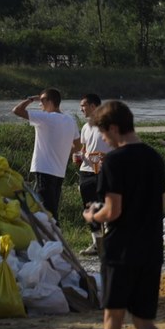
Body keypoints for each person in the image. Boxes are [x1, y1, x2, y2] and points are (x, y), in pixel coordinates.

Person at [84, 101, 165, 329]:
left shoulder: (114, 161)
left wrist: (93, 215)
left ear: (114, 128)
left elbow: (114, 210)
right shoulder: (154, 158)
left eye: (104, 134)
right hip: (151, 249)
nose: (104, 140)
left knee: (113, 319)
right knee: (143, 320)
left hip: (121, 250)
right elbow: (162, 202)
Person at [13, 88, 79, 220]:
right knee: (51, 208)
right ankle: (54, 237)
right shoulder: (70, 120)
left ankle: (55, 238)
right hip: (59, 172)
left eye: (41, 100)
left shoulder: (46, 118)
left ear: (50, 101)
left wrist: (30, 99)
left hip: (44, 170)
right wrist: (64, 153)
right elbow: (78, 145)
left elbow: (17, 110)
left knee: (46, 212)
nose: (39, 103)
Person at [73, 93, 112, 255]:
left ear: (94, 106)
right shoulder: (85, 127)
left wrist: (107, 157)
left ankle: (112, 244)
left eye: (84, 105)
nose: (81, 109)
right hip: (86, 171)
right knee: (90, 208)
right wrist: (78, 155)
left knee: (108, 206)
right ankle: (96, 244)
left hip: (105, 171)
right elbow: (84, 149)